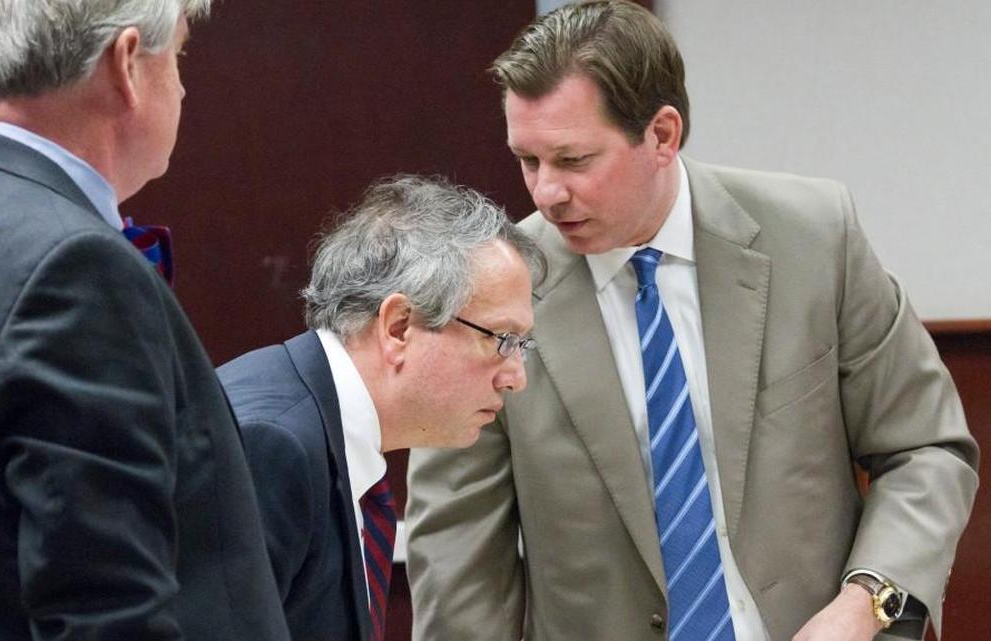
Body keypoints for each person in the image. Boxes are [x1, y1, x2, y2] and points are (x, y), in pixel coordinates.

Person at [405, 2, 979, 640]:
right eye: (527, 160)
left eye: (572, 161)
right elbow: (458, 560)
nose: (545, 193)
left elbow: (925, 448)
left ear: (662, 135)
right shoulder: (484, 299)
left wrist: (866, 603)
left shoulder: (815, 237)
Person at [0, 1, 288, 639]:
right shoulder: (75, 267)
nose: (184, 83)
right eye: (180, 56)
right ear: (127, 66)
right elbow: (108, 611)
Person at [217, 176, 544, 641]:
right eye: (501, 339)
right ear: (398, 327)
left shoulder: (319, 425)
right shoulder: (270, 445)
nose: (516, 377)